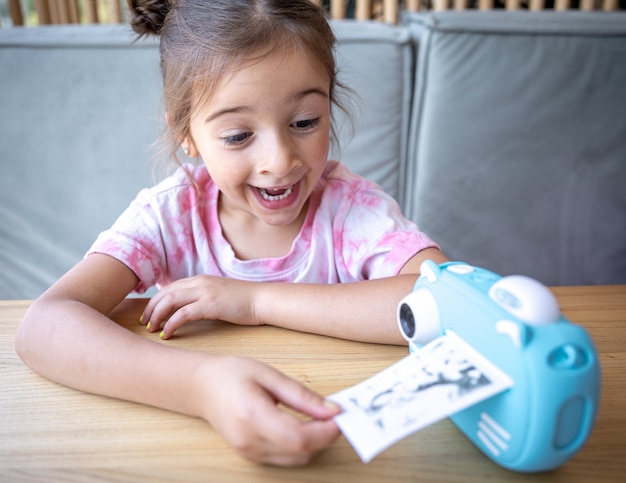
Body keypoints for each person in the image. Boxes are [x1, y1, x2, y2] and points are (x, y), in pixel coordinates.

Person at [15, 0, 447, 467]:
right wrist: (202, 386)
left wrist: (255, 301)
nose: (279, 161)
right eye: (239, 135)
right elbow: (45, 325)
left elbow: (444, 301)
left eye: (304, 122)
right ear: (187, 133)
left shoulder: (350, 210)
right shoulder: (169, 216)